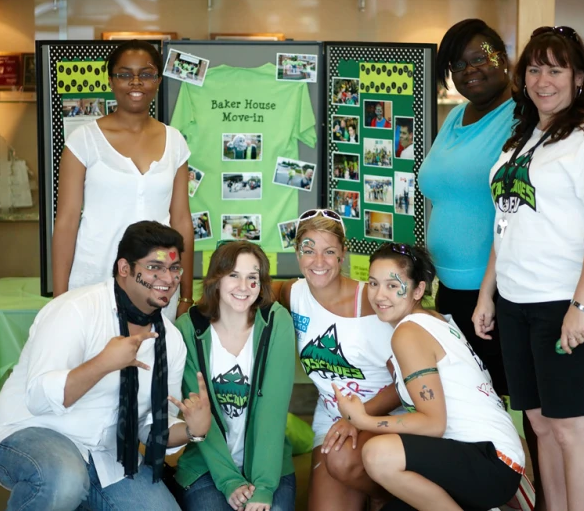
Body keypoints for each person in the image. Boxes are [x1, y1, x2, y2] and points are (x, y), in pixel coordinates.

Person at [473, 26, 584, 511]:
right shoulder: (525, 137)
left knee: (570, 424)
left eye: (555, 69)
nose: (543, 80)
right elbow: (508, 223)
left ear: (579, 77)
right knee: (539, 422)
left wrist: (581, 307)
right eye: (534, 69)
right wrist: (487, 294)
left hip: (569, 301)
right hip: (518, 299)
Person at [0, 221, 212, 511]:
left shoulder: (170, 341)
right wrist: (103, 364)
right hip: (32, 432)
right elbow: (39, 397)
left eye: (174, 268)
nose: (167, 278)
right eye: (155, 267)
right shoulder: (75, 309)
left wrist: (193, 430)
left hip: (106, 458)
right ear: (124, 269)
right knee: (65, 479)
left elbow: (151, 425)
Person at [415, 18, 547, 505]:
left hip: (496, 291)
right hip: (450, 289)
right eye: (457, 63)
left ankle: (544, 495)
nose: (468, 70)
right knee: (468, 401)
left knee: (524, 404)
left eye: (480, 58)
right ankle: (487, 493)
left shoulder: (521, 116)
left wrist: (487, 291)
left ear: (504, 58)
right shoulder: (456, 118)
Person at [335, 243, 524, 511]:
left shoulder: (408, 333)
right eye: (373, 283)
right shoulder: (436, 319)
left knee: (378, 455)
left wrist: (364, 420)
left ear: (419, 290)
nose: (379, 295)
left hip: (491, 462)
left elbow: (433, 423)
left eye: (392, 285)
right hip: (489, 460)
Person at [53, 40, 194, 321]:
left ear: (157, 80)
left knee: (155, 361)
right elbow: (67, 221)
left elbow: (181, 221)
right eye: (125, 74)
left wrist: (186, 294)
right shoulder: (83, 141)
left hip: (159, 283)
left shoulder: (175, 141)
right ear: (111, 80)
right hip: (95, 278)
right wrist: (59, 299)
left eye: (146, 74)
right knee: (97, 362)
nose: (136, 82)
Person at [274, 209, 402, 511]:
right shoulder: (293, 293)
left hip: (383, 416)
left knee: (343, 461)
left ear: (343, 253)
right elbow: (238, 293)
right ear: (297, 252)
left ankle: (391, 492)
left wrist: (357, 419)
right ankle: (379, 488)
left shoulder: (372, 302)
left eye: (329, 251)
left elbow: (404, 385)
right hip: (332, 418)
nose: (318, 262)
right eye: (309, 250)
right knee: (336, 469)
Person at [173, 241, 297, 511]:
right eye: (233, 275)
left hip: (269, 467)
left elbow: (272, 411)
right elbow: (201, 416)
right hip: (206, 466)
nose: (244, 287)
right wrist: (229, 481)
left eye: (252, 278)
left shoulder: (277, 322)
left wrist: (263, 487)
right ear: (216, 279)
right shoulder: (188, 328)